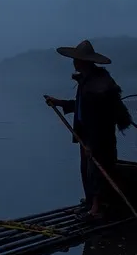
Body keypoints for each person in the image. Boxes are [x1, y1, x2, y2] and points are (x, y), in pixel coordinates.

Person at [43, 40, 132, 219]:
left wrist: (93, 143)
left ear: (85, 62)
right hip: (86, 134)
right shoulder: (86, 81)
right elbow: (82, 106)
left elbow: (99, 117)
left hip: (99, 135)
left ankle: (97, 207)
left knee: (98, 170)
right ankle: (91, 201)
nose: (74, 63)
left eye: (77, 60)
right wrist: (60, 103)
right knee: (86, 170)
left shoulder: (99, 84)